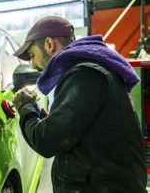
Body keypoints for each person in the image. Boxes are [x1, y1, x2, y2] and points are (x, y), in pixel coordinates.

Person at [12, 16, 147, 192]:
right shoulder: (93, 70)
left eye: (32, 55)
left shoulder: (84, 75)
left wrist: (25, 108)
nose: (33, 65)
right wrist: (41, 116)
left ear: (49, 44)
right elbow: (79, 131)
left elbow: (46, 141)